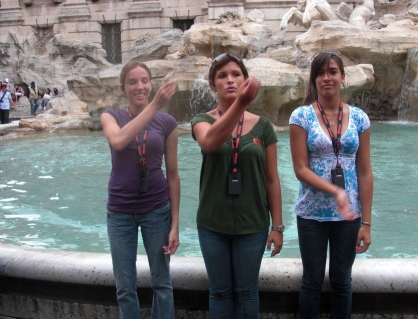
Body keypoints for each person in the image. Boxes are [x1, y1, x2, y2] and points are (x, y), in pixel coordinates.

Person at [191, 53, 283, 319]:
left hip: (253, 224)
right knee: (219, 291)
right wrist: (242, 103)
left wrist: (277, 226)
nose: (229, 80)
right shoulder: (202, 121)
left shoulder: (264, 128)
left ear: (244, 80)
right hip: (212, 224)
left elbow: (272, 179)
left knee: (247, 291)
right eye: (222, 76)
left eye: (235, 75)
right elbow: (209, 142)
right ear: (213, 85)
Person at [289, 51, 373, 319]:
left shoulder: (359, 118)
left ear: (343, 77)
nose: (327, 78)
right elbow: (300, 169)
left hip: (349, 215)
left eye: (333, 71)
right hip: (312, 213)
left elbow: (365, 171)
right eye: (321, 73)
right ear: (313, 80)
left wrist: (367, 223)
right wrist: (335, 190)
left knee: (342, 282)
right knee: (311, 282)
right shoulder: (301, 116)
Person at [100, 61, 180, 319]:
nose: (140, 86)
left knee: (162, 283)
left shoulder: (167, 122)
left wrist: (175, 224)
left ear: (151, 83)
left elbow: (174, 174)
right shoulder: (111, 117)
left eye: (145, 80)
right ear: (123, 87)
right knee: (124, 287)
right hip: (120, 212)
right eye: (133, 81)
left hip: (157, 209)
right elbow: (119, 140)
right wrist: (155, 105)